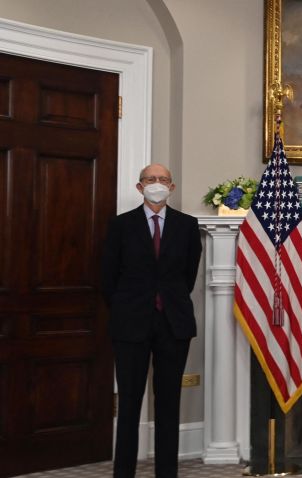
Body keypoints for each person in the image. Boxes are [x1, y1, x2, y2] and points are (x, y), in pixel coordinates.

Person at [101, 164, 202, 478]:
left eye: (162, 180)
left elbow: (188, 275)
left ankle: (166, 472)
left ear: (171, 187)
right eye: (150, 179)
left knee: (169, 402)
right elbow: (108, 277)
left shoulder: (187, 225)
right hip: (130, 323)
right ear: (139, 186)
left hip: (173, 323)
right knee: (130, 402)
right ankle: (124, 472)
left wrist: (165, 302)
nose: (156, 184)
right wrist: (127, 306)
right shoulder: (120, 226)